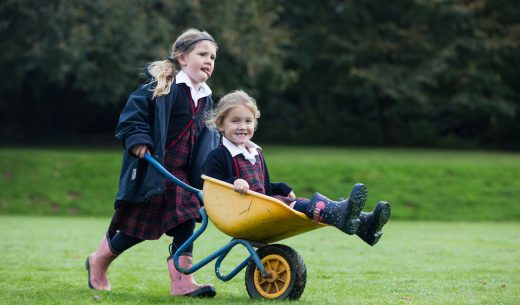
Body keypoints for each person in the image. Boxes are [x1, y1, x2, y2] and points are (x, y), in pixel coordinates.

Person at [86, 28, 218, 298]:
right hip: (153, 169)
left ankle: (182, 282)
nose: (209, 61)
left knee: (187, 215)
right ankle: (98, 260)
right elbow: (132, 116)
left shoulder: (207, 98)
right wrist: (137, 139)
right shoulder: (161, 87)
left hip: (182, 174)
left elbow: (210, 138)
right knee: (136, 228)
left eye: (213, 57)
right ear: (182, 58)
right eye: (202, 54)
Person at [202, 90, 391, 245]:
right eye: (235, 121)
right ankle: (344, 212)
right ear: (220, 123)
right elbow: (213, 188)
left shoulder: (255, 152)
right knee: (296, 205)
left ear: (255, 123)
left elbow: (263, 187)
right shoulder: (218, 155)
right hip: (242, 213)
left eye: (248, 121)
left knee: (301, 205)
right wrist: (234, 181)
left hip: (262, 206)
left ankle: (365, 224)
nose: (242, 126)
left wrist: (279, 187)